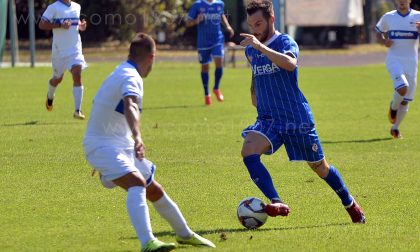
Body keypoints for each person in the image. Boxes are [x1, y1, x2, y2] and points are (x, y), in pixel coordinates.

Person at [83, 33, 215, 252]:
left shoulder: (124, 71)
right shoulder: (130, 76)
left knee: (153, 190)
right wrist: (138, 137)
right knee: (137, 183)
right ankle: (148, 243)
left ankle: (185, 234)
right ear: (152, 57)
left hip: (118, 145)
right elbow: (130, 105)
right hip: (103, 145)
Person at [239, 0, 366, 223]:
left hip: (295, 118)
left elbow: (290, 63)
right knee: (248, 150)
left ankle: (350, 203)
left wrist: (262, 47)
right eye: (251, 25)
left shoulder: (284, 41)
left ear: (271, 19)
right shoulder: (250, 51)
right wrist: (254, 92)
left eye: (258, 23)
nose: (254, 29)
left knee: (320, 168)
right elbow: (256, 73)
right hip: (268, 118)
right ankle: (276, 201)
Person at [376, 0, 420, 139]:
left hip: (412, 62)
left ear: (409, 0)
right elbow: (378, 31)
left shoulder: (418, 16)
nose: (401, 1)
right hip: (394, 59)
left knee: (406, 100)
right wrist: (384, 41)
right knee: (402, 87)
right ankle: (393, 107)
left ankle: (395, 128)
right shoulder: (389, 16)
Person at [39, 0, 87, 119]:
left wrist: (81, 26)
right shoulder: (53, 7)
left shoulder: (77, 6)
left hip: (75, 50)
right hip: (59, 51)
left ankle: (77, 110)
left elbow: (76, 23)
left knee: (77, 74)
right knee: (57, 79)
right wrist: (60, 25)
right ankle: (50, 96)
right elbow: (42, 24)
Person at [186, 0, 234, 105]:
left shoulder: (219, 4)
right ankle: (207, 94)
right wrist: (197, 20)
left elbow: (222, 15)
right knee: (205, 67)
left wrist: (227, 26)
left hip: (217, 39)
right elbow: (188, 22)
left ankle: (216, 88)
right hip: (203, 41)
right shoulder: (197, 5)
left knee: (219, 62)